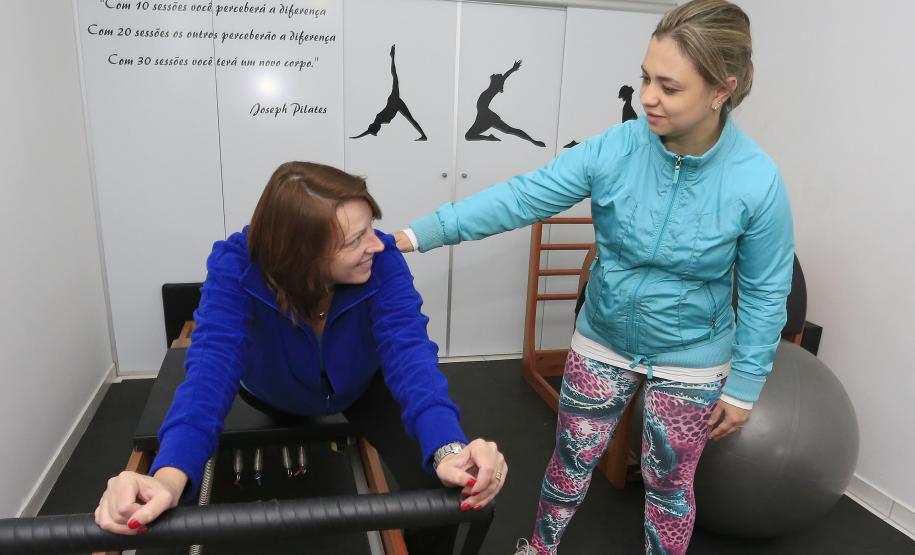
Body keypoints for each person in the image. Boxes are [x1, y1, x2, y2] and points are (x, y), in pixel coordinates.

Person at [394, 1, 794, 553]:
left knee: (670, 487)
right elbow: (521, 196)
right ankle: (540, 547)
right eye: (645, 78)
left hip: (693, 357)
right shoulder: (617, 148)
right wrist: (416, 235)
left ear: (721, 90)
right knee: (570, 462)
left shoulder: (757, 180)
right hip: (603, 339)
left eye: (669, 87)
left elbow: (767, 288)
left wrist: (746, 385)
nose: (648, 97)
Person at [94, 162, 508, 554]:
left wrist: (449, 449)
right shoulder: (235, 266)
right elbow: (208, 375)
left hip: (360, 388)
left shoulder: (382, 257)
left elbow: (410, 354)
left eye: (371, 229)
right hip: (271, 392)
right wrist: (167, 478)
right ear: (302, 257)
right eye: (354, 240)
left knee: (438, 491)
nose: (376, 244)